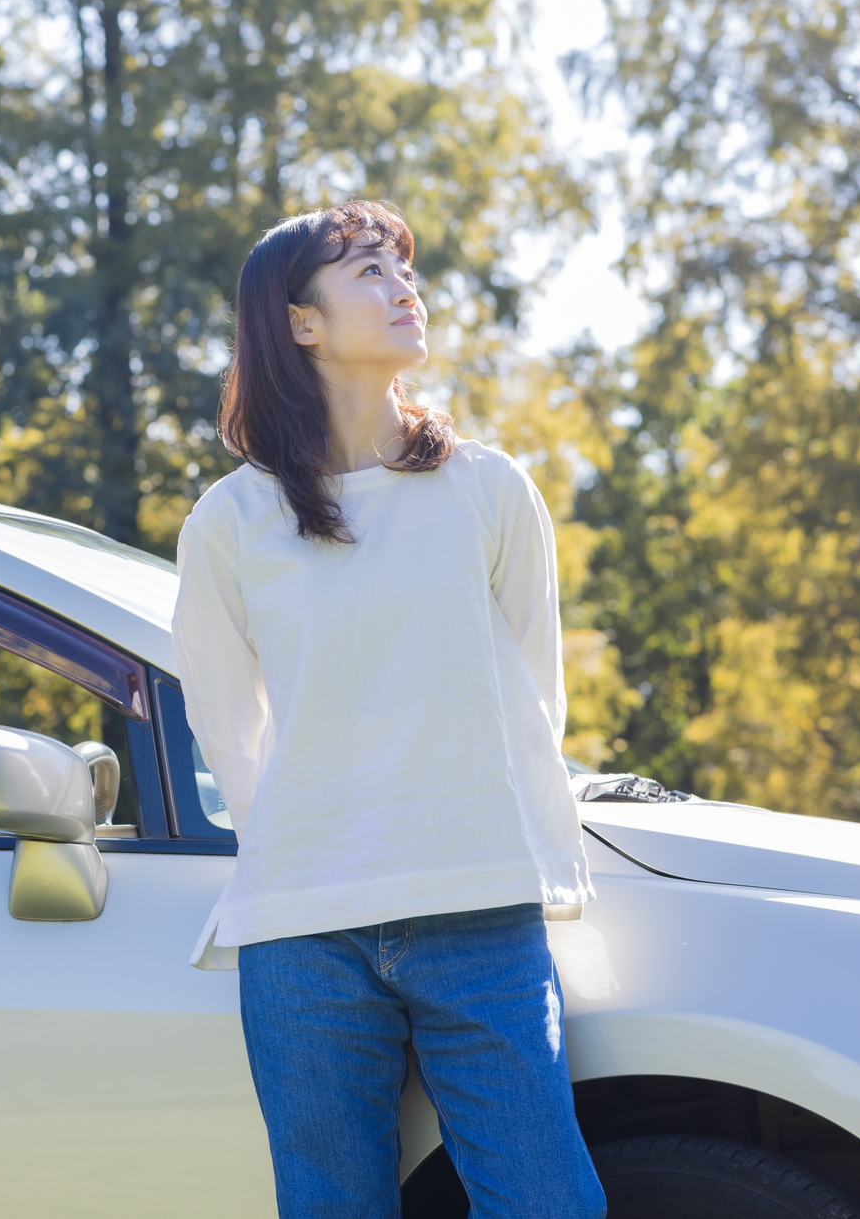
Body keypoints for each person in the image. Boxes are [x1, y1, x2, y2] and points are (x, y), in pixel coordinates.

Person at [172, 200, 605, 1219]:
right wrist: (298, 844)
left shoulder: (487, 488)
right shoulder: (231, 519)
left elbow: (531, 697)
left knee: (547, 1203)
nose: (401, 286)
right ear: (299, 323)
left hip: (479, 905)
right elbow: (226, 730)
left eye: (401, 268)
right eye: (365, 269)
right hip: (303, 932)